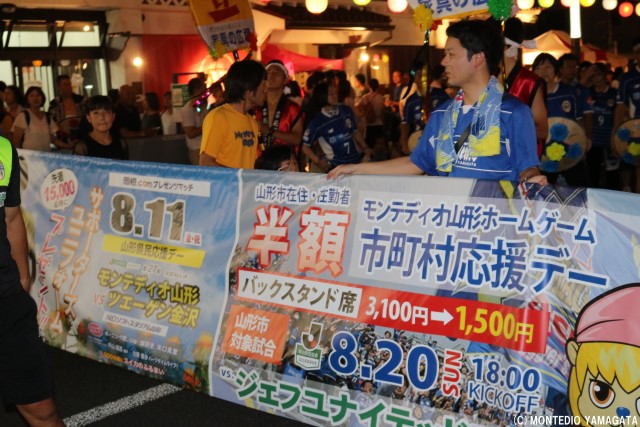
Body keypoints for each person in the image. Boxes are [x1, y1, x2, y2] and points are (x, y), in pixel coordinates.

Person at [329, 19, 546, 185]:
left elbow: (527, 169)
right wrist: (357, 169)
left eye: (451, 54)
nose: (444, 62)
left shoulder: (513, 112)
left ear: (477, 58)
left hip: (489, 222)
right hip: (448, 220)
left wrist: (533, 180)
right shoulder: (442, 114)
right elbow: (415, 163)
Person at [0, 136, 65, 426]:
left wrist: (23, 277)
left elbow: (11, 217)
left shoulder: (3, 149)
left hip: (6, 299)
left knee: (42, 410)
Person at [533, 53, 591, 187]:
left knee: (580, 187)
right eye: (538, 68)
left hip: (570, 149)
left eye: (548, 67)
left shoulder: (569, 92)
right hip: (543, 154)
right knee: (547, 190)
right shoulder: (531, 97)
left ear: (556, 69)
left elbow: (578, 121)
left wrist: (586, 139)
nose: (543, 71)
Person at [200, 60, 267, 168]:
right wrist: (238, 176)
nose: (266, 90)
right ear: (249, 88)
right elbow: (206, 163)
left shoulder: (252, 122)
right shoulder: (218, 117)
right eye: (263, 85)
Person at [302, 82, 371, 173]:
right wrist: (318, 161)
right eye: (331, 93)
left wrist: (365, 147)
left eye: (335, 92)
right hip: (336, 167)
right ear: (322, 96)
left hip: (355, 162)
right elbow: (304, 146)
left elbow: (355, 131)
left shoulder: (345, 110)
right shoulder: (318, 121)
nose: (335, 95)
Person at [502, 17, 548, 146]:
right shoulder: (487, 79)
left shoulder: (529, 82)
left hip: (521, 154)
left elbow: (542, 130)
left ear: (505, 46)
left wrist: (504, 131)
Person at [255, 60, 303, 153]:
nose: (271, 75)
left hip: (283, 159)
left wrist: (269, 131)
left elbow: (297, 139)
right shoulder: (255, 106)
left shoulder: (292, 108)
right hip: (258, 159)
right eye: (268, 72)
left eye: (276, 72)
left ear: (285, 80)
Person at [11, 86, 70, 152]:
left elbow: (52, 139)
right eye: (31, 96)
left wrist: (69, 146)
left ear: (42, 98)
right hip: (28, 157)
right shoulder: (23, 116)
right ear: (27, 99)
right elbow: (16, 142)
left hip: (46, 156)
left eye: (38, 95)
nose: (35, 98)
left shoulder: (47, 117)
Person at [74, 95, 127, 160]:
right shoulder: (82, 147)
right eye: (96, 113)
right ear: (89, 118)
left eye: (106, 112)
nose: (102, 117)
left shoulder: (121, 144)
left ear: (113, 116)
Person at [48, 74, 86, 149]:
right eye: (65, 84)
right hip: (63, 140)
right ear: (59, 87)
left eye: (69, 84)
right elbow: (51, 122)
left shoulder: (81, 100)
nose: (68, 87)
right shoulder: (54, 103)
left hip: (82, 138)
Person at [180, 77, 208, 166]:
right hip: (197, 150)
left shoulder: (202, 105)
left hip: (206, 148)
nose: (206, 90)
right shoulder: (187, 109)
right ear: (196, 90)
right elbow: (190, 133)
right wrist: (208, 125)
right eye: (203, 87)